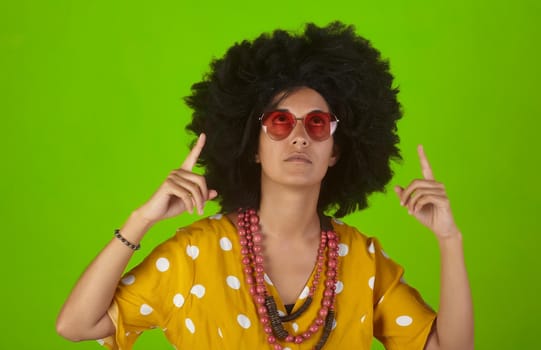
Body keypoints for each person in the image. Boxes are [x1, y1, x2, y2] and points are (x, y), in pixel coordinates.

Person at [56, 22, 474, 349]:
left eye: (316, 123)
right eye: (279, 121)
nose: (299, 137)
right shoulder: (194, 254)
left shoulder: (362, 261)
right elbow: (76, 325)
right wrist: (141, 220)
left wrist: (449, 239)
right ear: (252, 147)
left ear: (336, 151)